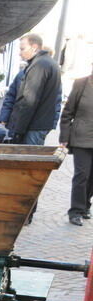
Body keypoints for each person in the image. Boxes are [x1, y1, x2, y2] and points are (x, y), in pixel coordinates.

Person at [3, 34, 62, 145]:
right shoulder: (47, 63)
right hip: (38, 124)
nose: (20, 53)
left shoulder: (40, 65)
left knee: (27, 159)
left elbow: (29, 99)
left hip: (34, 125)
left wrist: (17, 129)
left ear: (34, 47)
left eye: (22, 49)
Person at [60, 65, 93, 226]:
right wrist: (64, 136)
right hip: (82, 139)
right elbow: (67, 112)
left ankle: (86, 204)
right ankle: (76, 211)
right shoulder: (81, 84)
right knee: (82, 175)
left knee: (91, 177)